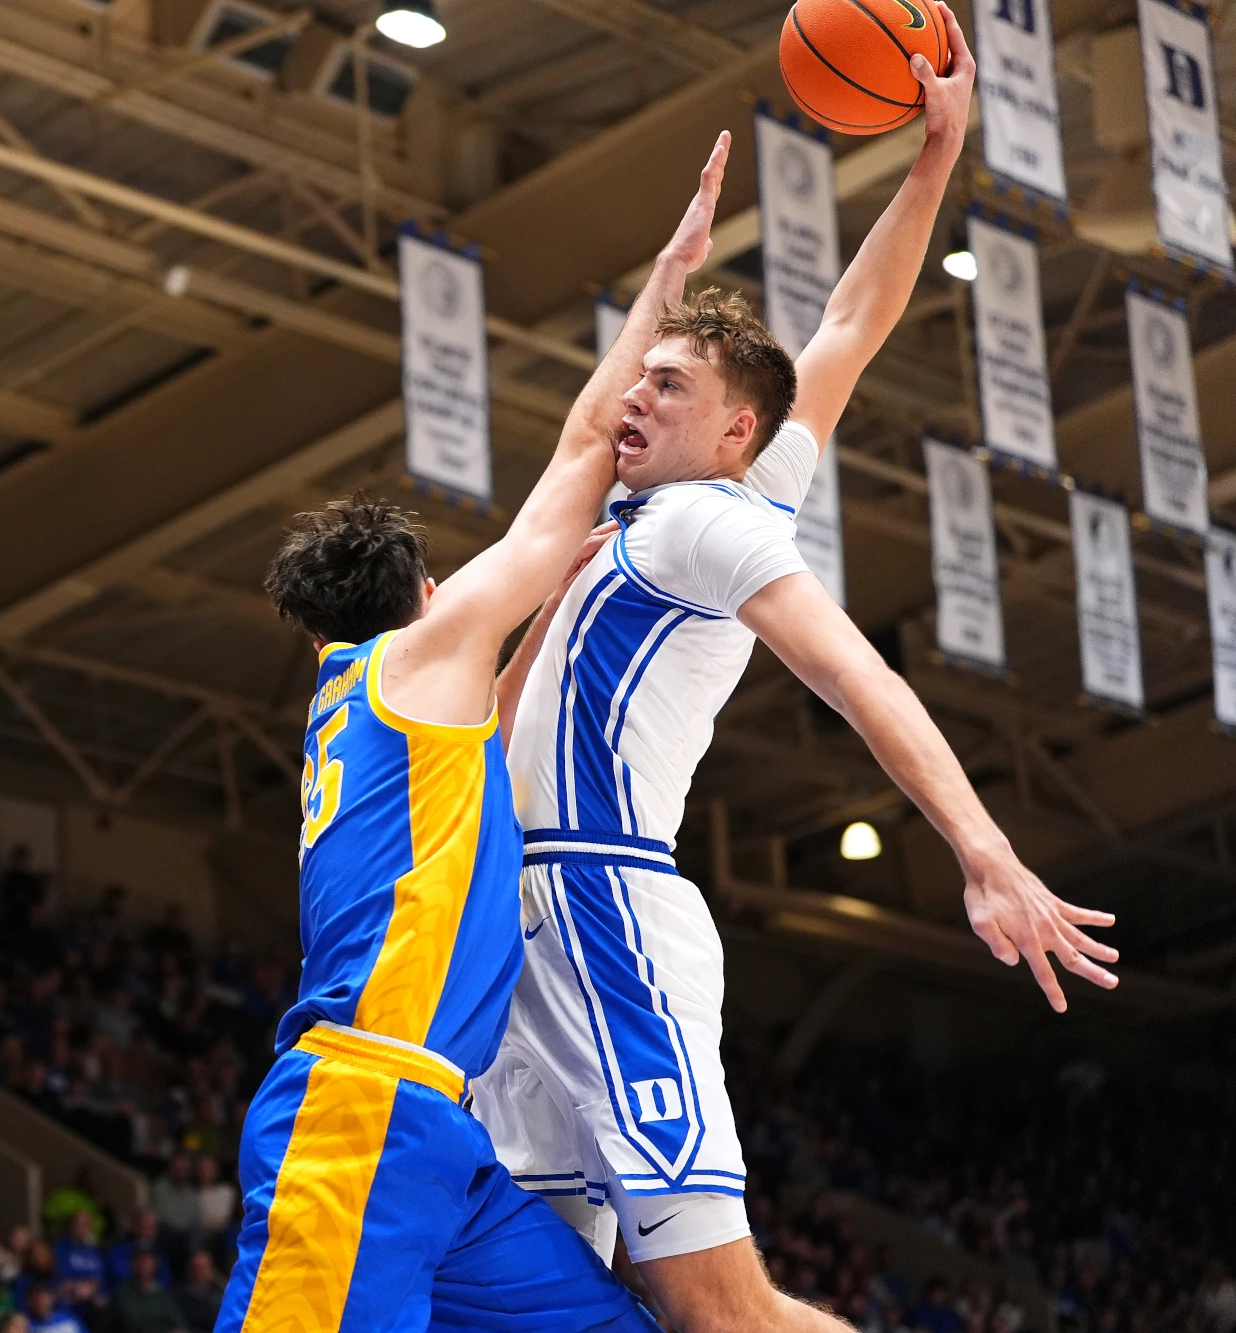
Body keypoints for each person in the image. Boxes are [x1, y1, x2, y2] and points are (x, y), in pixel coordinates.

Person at [469, 22, 1112, 1333]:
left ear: (735, 429)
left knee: (723, 1312)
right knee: (547, 1306)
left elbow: (859, 675)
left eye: (662, 384)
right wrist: (933, 154)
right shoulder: (659, 511)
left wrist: (983, 851)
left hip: (601, 906)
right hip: (520, 923)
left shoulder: (718, 520)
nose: (627, 402)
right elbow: (852, 321)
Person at [215, 141, 734, 1333]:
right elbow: (576, 455)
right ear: (426, 598)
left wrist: (551, 602)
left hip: (437, 1140)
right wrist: (666, 280)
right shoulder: (419, 658)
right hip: (353, 1123)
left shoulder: (373, 703)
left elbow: (491, 721)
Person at [111, 1252, 184, 1333]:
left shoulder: (164, 1294)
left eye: (149, 1261)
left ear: (156, 1264)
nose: (145, 1265)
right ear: (133, 1264)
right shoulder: (122, 1292)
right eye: (141, 1261)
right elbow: (132, 1320)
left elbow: (178, 1324)